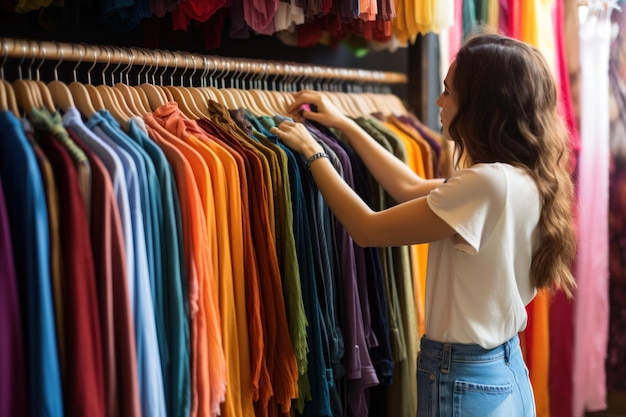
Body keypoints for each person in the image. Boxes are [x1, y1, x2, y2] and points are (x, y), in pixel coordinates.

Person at [270, 32, 577, 416]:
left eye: (448, 92)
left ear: (481, 105)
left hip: (462, 376)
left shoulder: (483, 184)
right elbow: (407, 186)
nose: (438, 101)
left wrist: (314, 153)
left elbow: (367, 229)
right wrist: (345, 125)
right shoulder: (523, 178)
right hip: (505, 369)